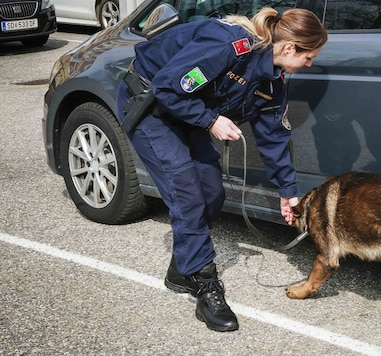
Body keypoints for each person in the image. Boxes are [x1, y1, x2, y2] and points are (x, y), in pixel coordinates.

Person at [115, 7, 327, 332]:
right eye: (308, 57)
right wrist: (211, 120)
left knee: (211, 192)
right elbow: (169, 86)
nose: (309, 65)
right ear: (288, 49)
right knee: (185, 189)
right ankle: (204, 283)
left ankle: (181, 269)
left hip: (188, 111)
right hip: (150, 105)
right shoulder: (229, 46)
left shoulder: (272, 83)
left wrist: (288, 192)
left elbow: (273, 139)